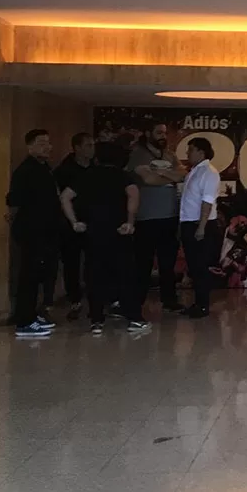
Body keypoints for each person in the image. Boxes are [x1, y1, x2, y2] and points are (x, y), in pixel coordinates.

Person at [61, 141, 149, 334]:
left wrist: (74, 222)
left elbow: (65, 196)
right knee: (125, 275)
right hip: (119, 232)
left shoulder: (86, 175)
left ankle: (96, 321)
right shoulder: (124, 176)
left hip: (93, 233)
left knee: (94, 277)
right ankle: (134, 318)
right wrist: (130, 222)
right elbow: (133, 195)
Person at [6, 129, 62, 339]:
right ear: (29, 146)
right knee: (28, 275)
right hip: (32, 230)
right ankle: (24, 321)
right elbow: (14, 200)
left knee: (39, 274)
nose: (46, 147)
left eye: (48, 142)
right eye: (41, 143)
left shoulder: (44, 167)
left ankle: (32, 314)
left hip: (45, 230)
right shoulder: (26, 170)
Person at [129, 123, 185, 315]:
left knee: (167, 263)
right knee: (143, 263)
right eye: (158, 132)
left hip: (169, 216)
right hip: (146, 217)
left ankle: (169, 300)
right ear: (148, 133)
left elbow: (182, 174)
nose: (163, 136)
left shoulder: (170, 154)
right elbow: (148, 180)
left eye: (164, 132)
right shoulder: (138, 154)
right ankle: (137, 302)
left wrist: (160, 173)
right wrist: (170, 176)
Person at [50, 132, 94, 320]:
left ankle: (97, 297)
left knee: (94, 261)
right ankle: (74, 299)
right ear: (76, 148)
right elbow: (60, 198)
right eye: (88, 145)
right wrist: (72, 220)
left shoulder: (95, 168)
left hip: (92, 221)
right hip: (70, 223)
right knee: (71, 262)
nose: (92, 149)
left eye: (93, 145)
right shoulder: (64, 171)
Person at [177, 137, 221, 318]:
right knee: (194, 266)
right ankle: (198, 302)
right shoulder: (195, 171)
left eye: (191, 150)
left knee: (200, 266)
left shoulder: (209, 172)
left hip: (200, 223)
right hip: (190, 222)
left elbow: (207, 201)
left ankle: (203, 305)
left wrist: (201, 227)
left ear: (201, 152)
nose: (188, 154)